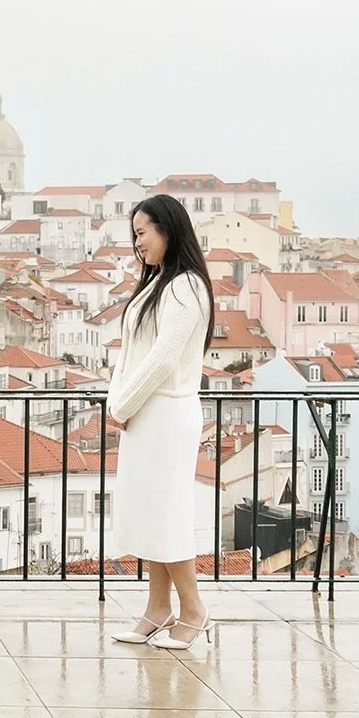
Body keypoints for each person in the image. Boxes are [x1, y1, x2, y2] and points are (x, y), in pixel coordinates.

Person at [107, 194, 215, 650]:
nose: (137, 244)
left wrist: (122, 406)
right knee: (149, 511)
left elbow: (163, 358)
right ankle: (157, 609)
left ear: (167, 230)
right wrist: (121, 402)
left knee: (168, 512)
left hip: (167, 412)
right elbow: (133, 353)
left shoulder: (186, 287)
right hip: (146, 413)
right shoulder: (158, 284)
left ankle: (193, 611)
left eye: (141, 233)